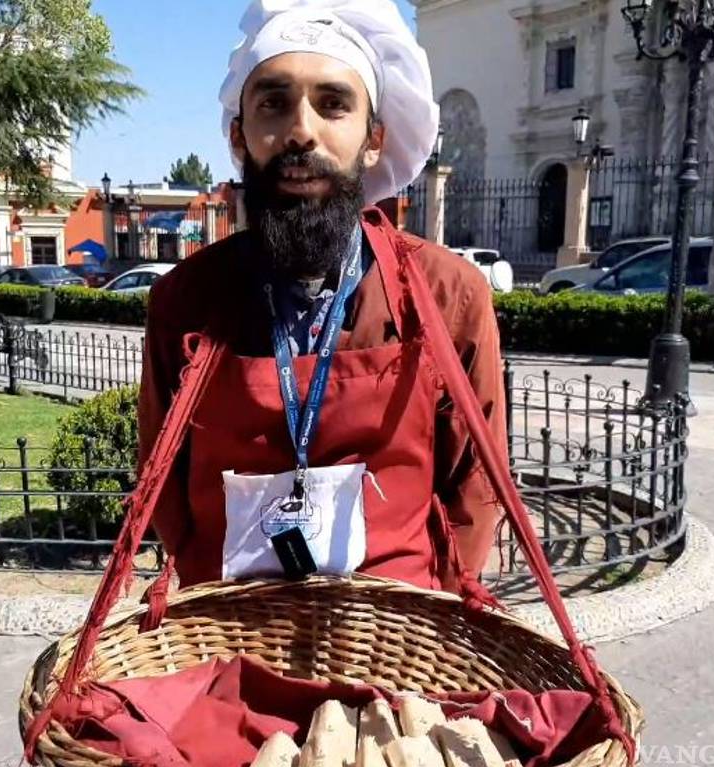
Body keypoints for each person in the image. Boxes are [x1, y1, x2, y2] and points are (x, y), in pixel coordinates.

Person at [137, 0, 507, 593]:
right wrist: (202, 575)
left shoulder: (448, 297)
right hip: (226, 635)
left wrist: (437, 609)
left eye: (333, 103)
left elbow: (475, 484)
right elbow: (163, 479)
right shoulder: (185, 299)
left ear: (373, 139)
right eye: (274, 103)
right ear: (240, 135)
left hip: (397, 642)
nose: (301, 130)